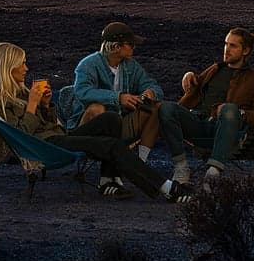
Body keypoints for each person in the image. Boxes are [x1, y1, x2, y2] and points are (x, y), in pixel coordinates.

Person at [0, 42, 182, 200]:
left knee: (110, 119)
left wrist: (45, 105)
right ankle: (166, 188)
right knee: (111, 145)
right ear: (8, 67)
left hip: (56, 137)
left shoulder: (20, 91)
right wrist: (33, 105)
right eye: (22, 64)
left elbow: (46, 122)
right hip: (45, 146)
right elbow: (22, 135)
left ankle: (108, 180)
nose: (26, 68)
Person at [71, 21, 180, 196]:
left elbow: (154, 86)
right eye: (130, 44)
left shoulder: (130, 66)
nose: (134, 48)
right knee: (97, 108)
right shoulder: (88, 65)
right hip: (90, 130)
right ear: (115, 47)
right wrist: (118, 98)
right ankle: (109, 176)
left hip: (120, 123)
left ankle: (138, 162)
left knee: (156, 107)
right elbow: (82, 92)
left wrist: (150, 92)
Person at [164, 26, 254, 184]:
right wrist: (188, 75)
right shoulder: (215, 69)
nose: (227, 49)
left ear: (245, 51)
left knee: (230, 109)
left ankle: (213, 171)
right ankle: (181, 167)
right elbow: (196, 85)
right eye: (226, 44)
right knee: (166, 108)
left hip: (227, 130)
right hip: (199, 125)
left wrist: (240, 113)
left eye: (233, 46)